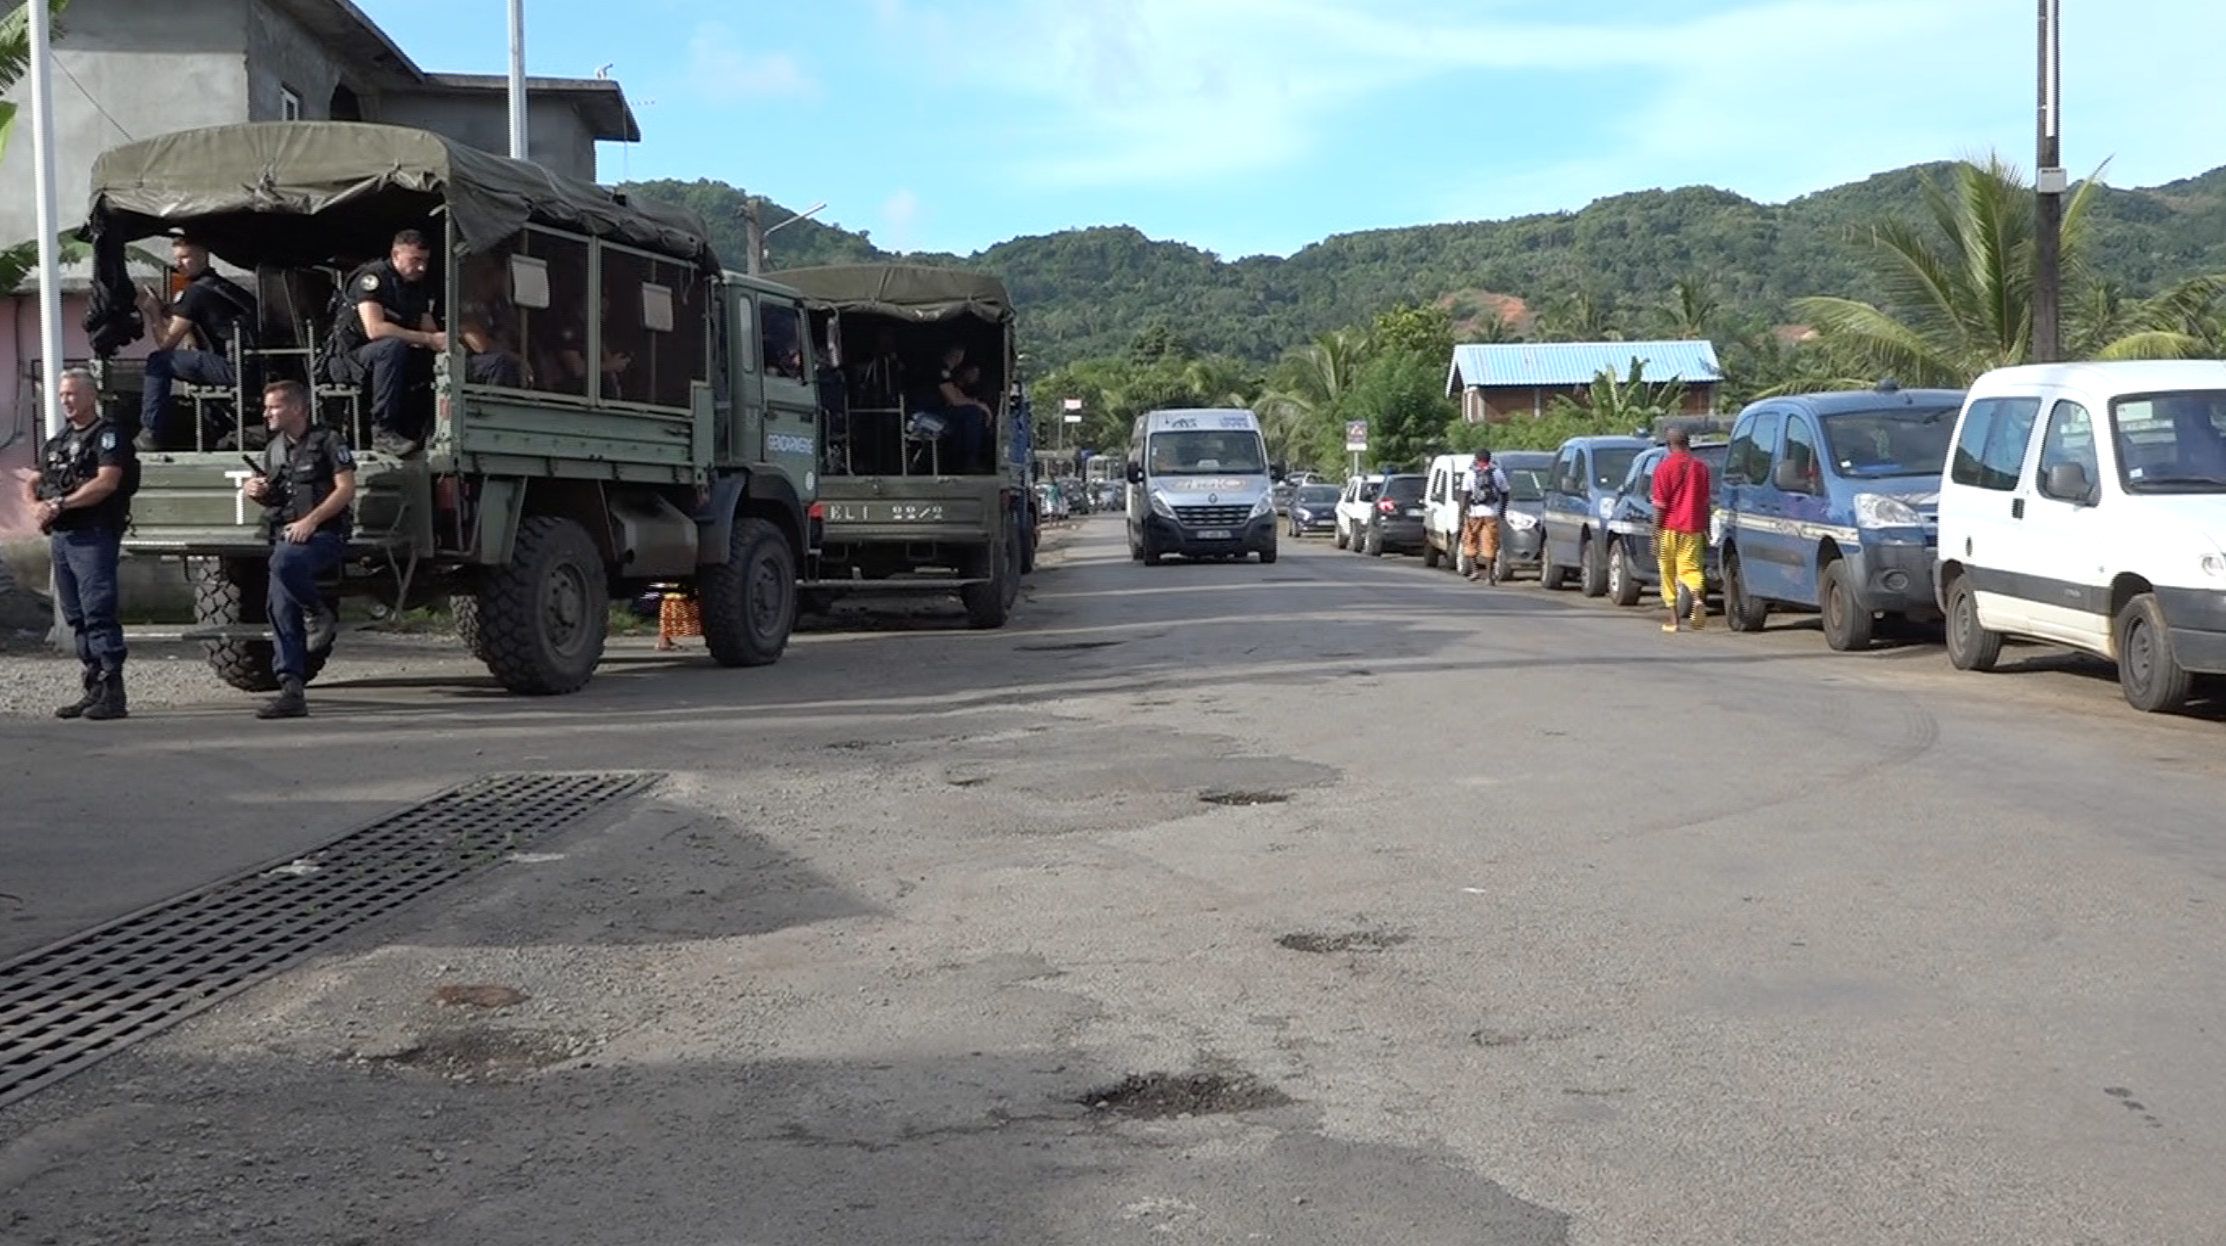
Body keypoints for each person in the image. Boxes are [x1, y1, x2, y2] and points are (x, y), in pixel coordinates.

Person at [25, 368, 137, 719]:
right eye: (62, 395)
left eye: (72, 394)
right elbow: (33, 479)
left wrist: (61, 504)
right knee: (75, 615)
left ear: (92, 395)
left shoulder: (107, 436)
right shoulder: (57, 441)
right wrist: (36, 506)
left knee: (97, 611)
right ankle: (93, 687)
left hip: (93, 533)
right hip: (62, 536)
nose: (66, 401)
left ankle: (113, 690)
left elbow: (106, 483)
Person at [242, 379, 356, 719]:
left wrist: (312, 520)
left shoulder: (329, 441)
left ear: (297, 408)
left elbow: (346, 489)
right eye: (266, 407)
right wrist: (258, 491)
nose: (267, 414)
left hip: (323, 537)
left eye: (274, 407)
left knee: (284, 561)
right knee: (279, 605)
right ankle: (291, 687)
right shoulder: (274, 449)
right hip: (287, 538)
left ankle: (318, 612)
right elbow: (277, 498)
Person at [136, 235, 258, 450]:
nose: (178, 264)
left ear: (203, 257)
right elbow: (195, 336)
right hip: (251, 368)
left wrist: (154, 313)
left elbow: (166, 344)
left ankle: (150, 431)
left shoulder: (195, 293)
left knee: (158, 361)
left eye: (185, 257)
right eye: (176, 258)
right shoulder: (223, 288)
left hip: (234, 369)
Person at [330, 229, 444, 458]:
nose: (421, 268)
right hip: (350, 359)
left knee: (430, 358)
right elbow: (375, 329)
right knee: (391, 347)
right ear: (396, 254)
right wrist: (427, 339)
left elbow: (427, 327)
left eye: (425, 261)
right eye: (415, 260)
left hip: (384, 356)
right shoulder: (372, 279)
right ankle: (382, 430)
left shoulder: (414, 286)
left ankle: (429, 427)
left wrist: (441, 342)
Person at [1651, 426, 1712, 633]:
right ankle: (1696, 599)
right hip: (1692, 527)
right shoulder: (1701, 468)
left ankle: (1674, 621)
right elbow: (1705, 502)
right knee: (1690, 569)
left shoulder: (1663, 468)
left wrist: (1655, 533)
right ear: (1689, 443)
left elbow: (1660, 505)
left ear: (1669, 445)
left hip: (1668, 527)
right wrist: (1707, 528)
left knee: (1667, 572)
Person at [925, 343, 994, 473]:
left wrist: (978, 404)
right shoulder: (939, 370)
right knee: (972, 414)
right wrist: (980, 406)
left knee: (972, 413)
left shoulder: (947, 373)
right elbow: (955, 401)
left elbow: (958, 396)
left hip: (937, 410)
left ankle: (979, 458)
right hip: (927, 411)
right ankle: (967, 460)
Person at [1461, 449, 1510, 584]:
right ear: (1489, 459)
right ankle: (1489, 576)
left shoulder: (1470, 473)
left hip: (1474, 513)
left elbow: (1465, 495)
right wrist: (1502, 511)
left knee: (1470, 541)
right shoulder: (1497, 473)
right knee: (1490, 543)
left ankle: (1475, 570)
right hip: (1491, 513)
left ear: (1476, 459)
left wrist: (1462, 513)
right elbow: (1505, 493)